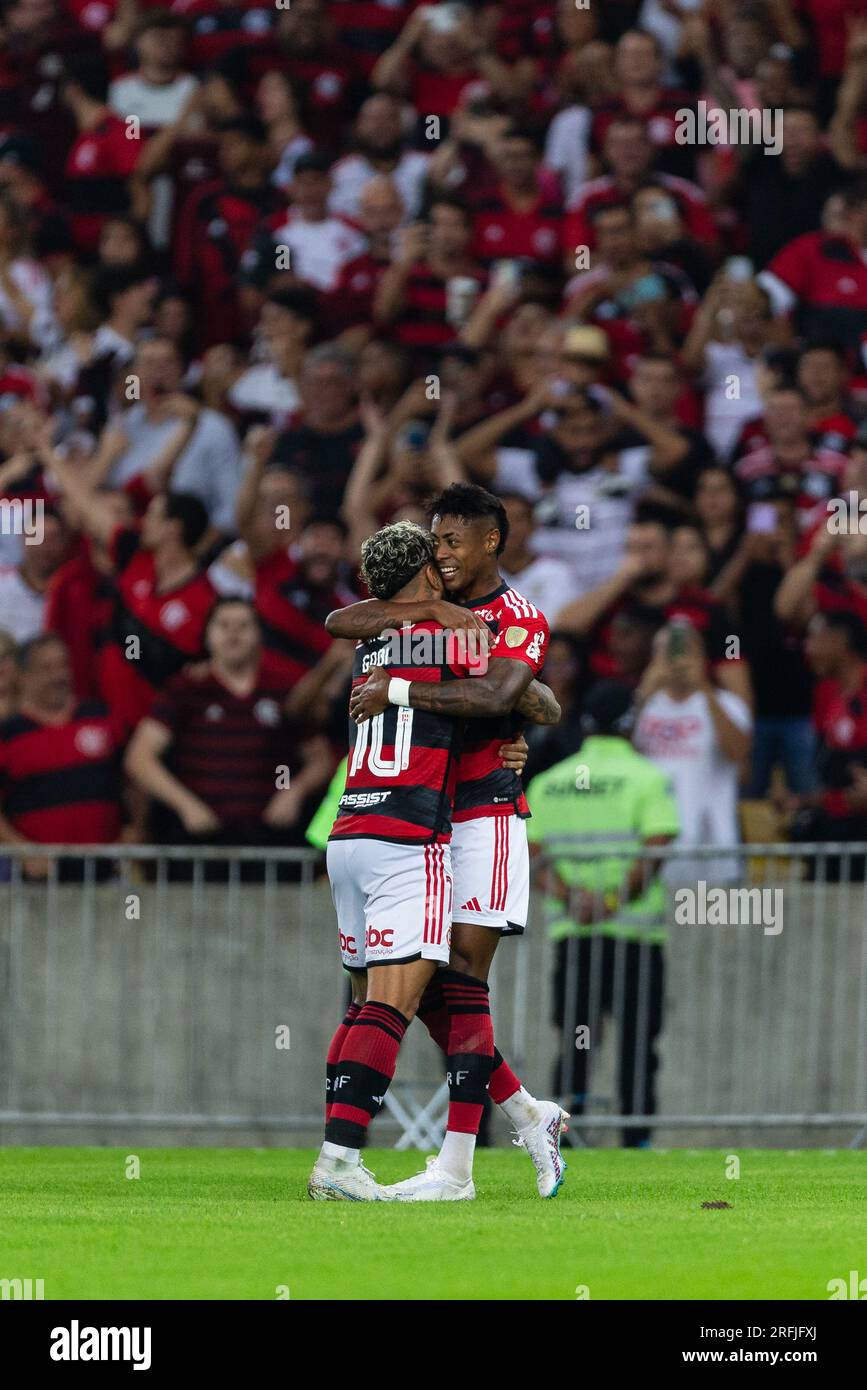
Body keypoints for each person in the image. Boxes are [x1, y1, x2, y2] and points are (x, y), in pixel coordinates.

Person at [331, 483, 568, 1200]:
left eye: (452, 542)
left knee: (462, 981)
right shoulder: (422, 610)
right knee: (423, 987)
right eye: (434, 542)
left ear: (491, 541)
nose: (441, 554)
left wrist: (409, 693)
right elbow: (344, 619)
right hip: (420, 816)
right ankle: (527, 1113)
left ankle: (456, 1168)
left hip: (483, 813)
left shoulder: (517, 615)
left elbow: (512, 699)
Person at [525, 679, 680, 1147]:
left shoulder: (550, 782)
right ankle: (636, 1139)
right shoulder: (648, 778)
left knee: (575, 1040)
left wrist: (574, 899)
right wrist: (611, 902)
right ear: (630, 724)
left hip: (574, 934)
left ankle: (563, 1138)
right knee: (638, 1043)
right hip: (634, 934)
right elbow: (654, 849)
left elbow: (531, 853)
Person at [124, 597, 332, 854]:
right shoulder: (185, 689)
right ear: (208, 635)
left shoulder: (285, 689)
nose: (233, 634)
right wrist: (186, 805)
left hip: (269, 844)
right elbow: (140, 757)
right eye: (223, 625)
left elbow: (320, 759)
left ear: (259, 635)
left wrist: (294, 793)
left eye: (243, 626)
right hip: (199, 846)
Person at [634, 620, 753, 882]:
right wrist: (643, 695)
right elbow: (623, 759)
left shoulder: (728, 705)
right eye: (667, 651)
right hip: (654, 847)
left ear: (701, 656)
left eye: (684, 650)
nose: (676, 659)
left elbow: (740, 758)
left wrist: (705, 689)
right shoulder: (640, 707)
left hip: (713, 847)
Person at [0, 634, 124, 879]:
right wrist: (21, 850)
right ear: (23, 676)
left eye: (63, 665)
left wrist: (135, 830)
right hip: (37, 880)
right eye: (45, 668)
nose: (58, 676)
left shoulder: (100, 716)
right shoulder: (8, 734)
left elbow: (131, 782)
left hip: (105, 871)